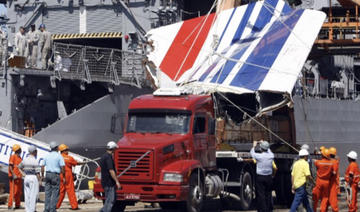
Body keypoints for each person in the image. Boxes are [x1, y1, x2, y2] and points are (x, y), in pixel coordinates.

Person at [56, 144, 86, 210]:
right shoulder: (69, 158)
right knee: (71, 191)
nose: (68, 151)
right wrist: (83, 163)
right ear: (63, 150)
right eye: (67, 150)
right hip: (68, 175)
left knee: (61, 191)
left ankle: (56, 205)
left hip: (60, 175)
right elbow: (76, 163)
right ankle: (74, 206)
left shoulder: (58, 157)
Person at [250, 140, 274, 212]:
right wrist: (264, 143)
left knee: (261, 195)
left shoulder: (259, 156)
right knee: (268, 194)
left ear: (261, 149)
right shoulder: (271, 156)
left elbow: (252, 153)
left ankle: (263, 210)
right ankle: (269, 209)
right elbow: (269, 151)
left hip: (260, 177)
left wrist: (254, 146)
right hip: (269, 177)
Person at [41, 141, 65, 212]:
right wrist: (63, 177)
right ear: (56, 148)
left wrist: (42, 176)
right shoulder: (59, 156)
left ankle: (46, 209)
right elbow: (62, 167)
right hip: (55, 175)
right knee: (55, 193)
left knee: (47, 193)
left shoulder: (47, 155)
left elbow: (42, 166)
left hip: (47, 174)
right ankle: (52, 209)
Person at [99, 141, 121, 212]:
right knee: (110, 201)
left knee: (109, 200)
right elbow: (111, 170)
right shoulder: (108, 158)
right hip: (109, 183)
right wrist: (117, 182)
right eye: (115, 149)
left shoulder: (103, 156)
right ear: (113, 148)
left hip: (104, 182)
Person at [18, 145, 41, 212]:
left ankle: (28, 210)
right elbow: (37, 172)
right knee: (33, 195)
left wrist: (23, 174)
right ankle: (32, 210)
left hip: (26, 177)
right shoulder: (35, 161)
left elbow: (19, 167)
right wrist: (39, 181)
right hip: (33, 177)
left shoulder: (25, 159)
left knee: (27, 195)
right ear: (34, 152)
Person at [8, 144, 23, 209]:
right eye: (20, 149)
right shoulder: (13, 157)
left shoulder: (20, 158)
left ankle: (17, 204)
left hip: (19, 177)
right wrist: (13, 174)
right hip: (14, 177)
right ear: (18, 150)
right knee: (12, 191)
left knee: (18, 191)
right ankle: (10, 205)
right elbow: (10, 166)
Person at [326, 147, 339, 212]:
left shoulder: (329, 161)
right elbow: (334, 172)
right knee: (333, 199)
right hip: (332, 183)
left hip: (329, 182)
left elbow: (333, 173)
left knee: (327, 199)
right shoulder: (335, 162)